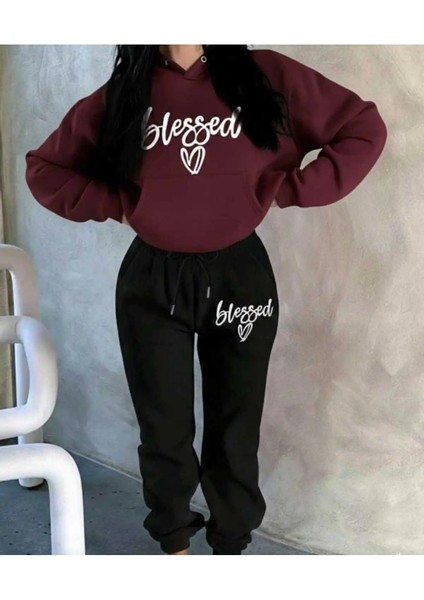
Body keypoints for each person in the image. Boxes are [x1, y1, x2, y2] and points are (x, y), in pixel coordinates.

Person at [24, 44, 387, 555]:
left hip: (240, 278)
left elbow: (362, 127)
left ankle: (230, 547)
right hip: (152, 281)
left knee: (236, 425)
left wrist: (285, 189)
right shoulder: (127, 92)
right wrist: (119, 205)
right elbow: (44, 167)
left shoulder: (265, 75)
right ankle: (174, 544)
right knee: (163, 427)